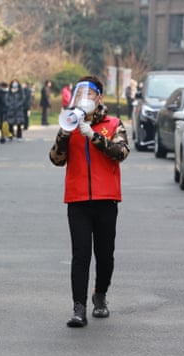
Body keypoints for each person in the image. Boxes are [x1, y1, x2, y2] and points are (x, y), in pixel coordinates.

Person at [49, 76, 130, 328]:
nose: (85, 98)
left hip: (106, 199)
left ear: (99, 98)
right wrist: (65, 134)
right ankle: (78, 308)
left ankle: (100, 295)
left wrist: (93, 136)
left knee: (105, 255)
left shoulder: (114, 124)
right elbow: (56, 159)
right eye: (80, 94)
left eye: (90, 94)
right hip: (78, 199)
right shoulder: (70, 123)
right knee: (80, 255)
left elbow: (121, 153)